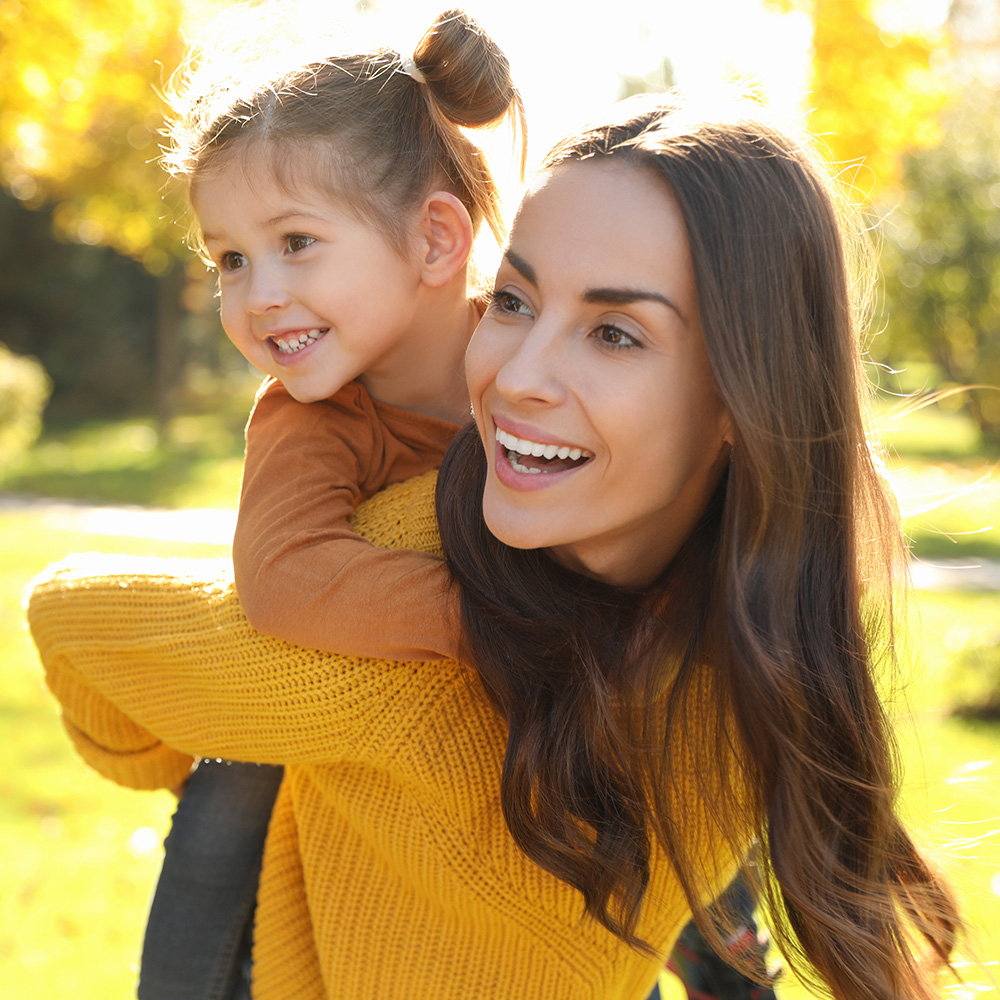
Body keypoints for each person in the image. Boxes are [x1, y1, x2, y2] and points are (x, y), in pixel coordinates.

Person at [26, 92, 960, 1000]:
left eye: (614, 332)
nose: (516, 376)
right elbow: (96, 619)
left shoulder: (753, 641)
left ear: (747, 396)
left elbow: (75, 630)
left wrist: (159, 743)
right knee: (232, 795)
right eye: (515, 301)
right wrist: (232, 732)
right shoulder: (418, 562)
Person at [133, 6, 524, 997]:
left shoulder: (535, 366)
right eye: (229, 259)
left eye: (295, 241)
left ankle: (722, 956)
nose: (257, 296)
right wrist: (510, 620)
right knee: (237, 768)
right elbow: (284, 581)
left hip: (540, 740)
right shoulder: (312, 418)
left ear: (436, 239)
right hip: (353, 722)